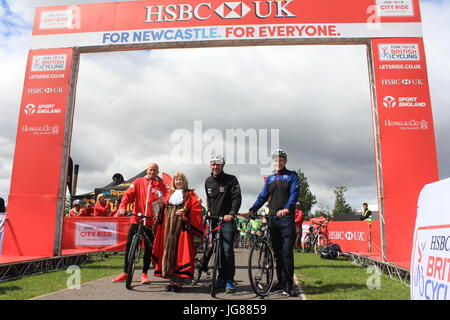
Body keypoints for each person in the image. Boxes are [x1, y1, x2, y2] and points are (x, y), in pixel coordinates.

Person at [245, 149, 300, 297]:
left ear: (285, 161)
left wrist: (287, 208)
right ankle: (280, 282)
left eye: (281, 159)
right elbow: (263, 196)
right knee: (277, 253)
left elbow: (294, 195)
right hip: (273, 220)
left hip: (286, 219)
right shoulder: (269, 179)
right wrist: (252, 210)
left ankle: (289, 284)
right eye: (276, 160)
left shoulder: (292, 176)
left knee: (287, 252)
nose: (278, 162)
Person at [112, 162, 168, 284]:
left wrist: (160, 211)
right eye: (150, 170)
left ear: (157, 173)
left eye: (154, 170)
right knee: (129, 245)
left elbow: (165, 198)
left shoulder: (160, 185)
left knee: (149, 248)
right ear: (147, 170)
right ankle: (125, 273)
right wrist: (122, 207)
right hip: (136, 219)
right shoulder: (138, 181)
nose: (152, 172)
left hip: (150, 221)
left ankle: (144, 274)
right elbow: (127, 195)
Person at [152, 172, 203, 292]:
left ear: (184, 181)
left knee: (180, 253)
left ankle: (178, 282)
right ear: (173, 182)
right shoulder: (169, 193)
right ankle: (171, 281)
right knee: (168, 253)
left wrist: (185, 210)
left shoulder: (190, 194)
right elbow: (162, 206)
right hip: (167, 228)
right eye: (176, 180)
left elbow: (196, 208)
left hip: (182, 228)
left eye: (180, 180)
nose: (178, 182)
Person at [205, 153, 242, 294]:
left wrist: (231, 214)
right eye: (213, 164)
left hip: (227, 220)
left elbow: (236, 198)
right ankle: (220, 278)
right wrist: (208, 211)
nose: (215, 166)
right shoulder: (208, 181)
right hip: (214, 220)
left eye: (218, 164)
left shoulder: (231, 180)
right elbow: (209, 199)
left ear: (223, 165)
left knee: (227, 250)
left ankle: (229, 280)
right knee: (218, 250)